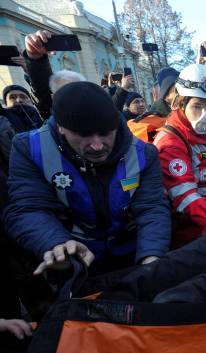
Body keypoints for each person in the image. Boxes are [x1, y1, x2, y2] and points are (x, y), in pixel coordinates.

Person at [4, 81, 170, 277]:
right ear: (60, 127)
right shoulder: (29, 149)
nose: (97, 146)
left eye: (106, 133)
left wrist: (151, 257)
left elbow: (152, 206)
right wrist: (55, 242)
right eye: (83, 135)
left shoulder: (144, 153)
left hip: (132, 251)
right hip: (74, 258)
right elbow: (27, 207)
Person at [153, 64, 206, 247]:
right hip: (190, 234)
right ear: (181, 103)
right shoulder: (171, 143)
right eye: (197, 106)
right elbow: (185, 196)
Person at [127, 67, 179, 143]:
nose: (141, 104)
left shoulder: (187, 111)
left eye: (142, 101)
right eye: (136, 102)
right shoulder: (145, 124)